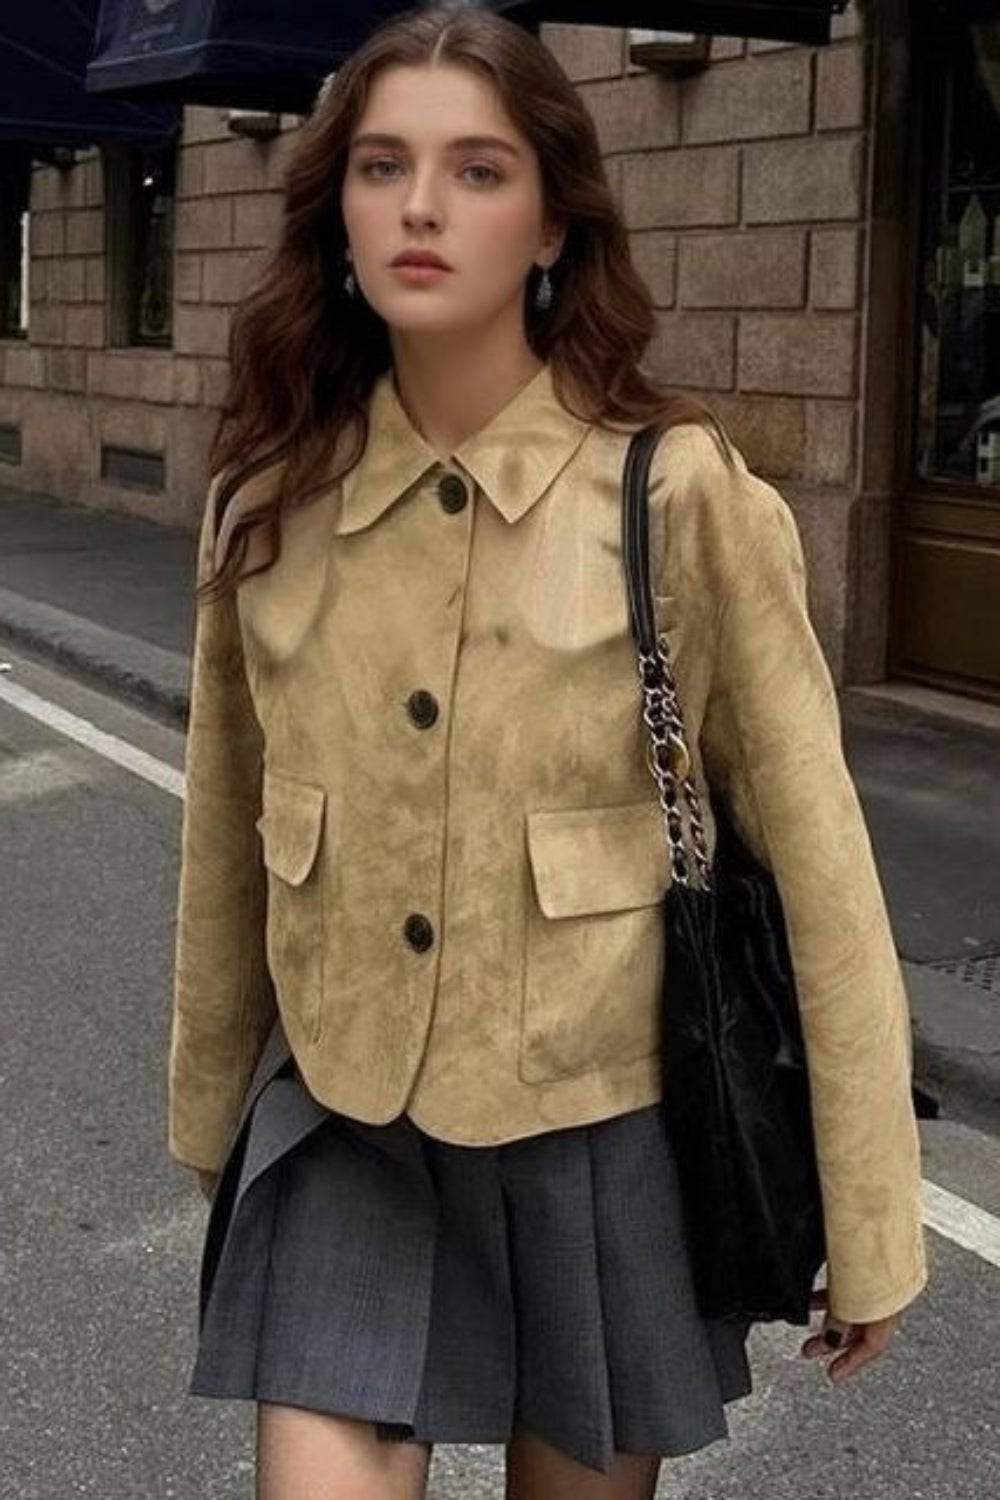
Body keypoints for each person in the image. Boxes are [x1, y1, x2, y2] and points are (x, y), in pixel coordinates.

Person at [168, 6, 928, 1498]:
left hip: (599, 1120)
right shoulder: (266, 504)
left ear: (552, 224)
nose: (424, 207)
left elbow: (822, 868)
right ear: (335, 214)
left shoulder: (678, 494)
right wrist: (210, 1114)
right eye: (382, 167)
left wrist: (872, 1213)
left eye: (477, 168)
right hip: (340, 1115)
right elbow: (226, 836)